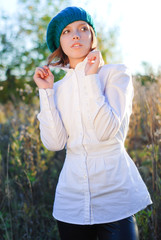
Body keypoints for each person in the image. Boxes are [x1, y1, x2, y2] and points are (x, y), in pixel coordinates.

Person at [33, 6, 152, 240]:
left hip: (115, 197)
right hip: (71, 200)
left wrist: (90, 78)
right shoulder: (56, 89)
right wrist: (46, 93)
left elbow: (106, 131)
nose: (75, 35)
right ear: (60, 44)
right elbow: (55, 143)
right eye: (67, 31)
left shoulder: (116, 75)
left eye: (83, 28)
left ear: (92, 36)